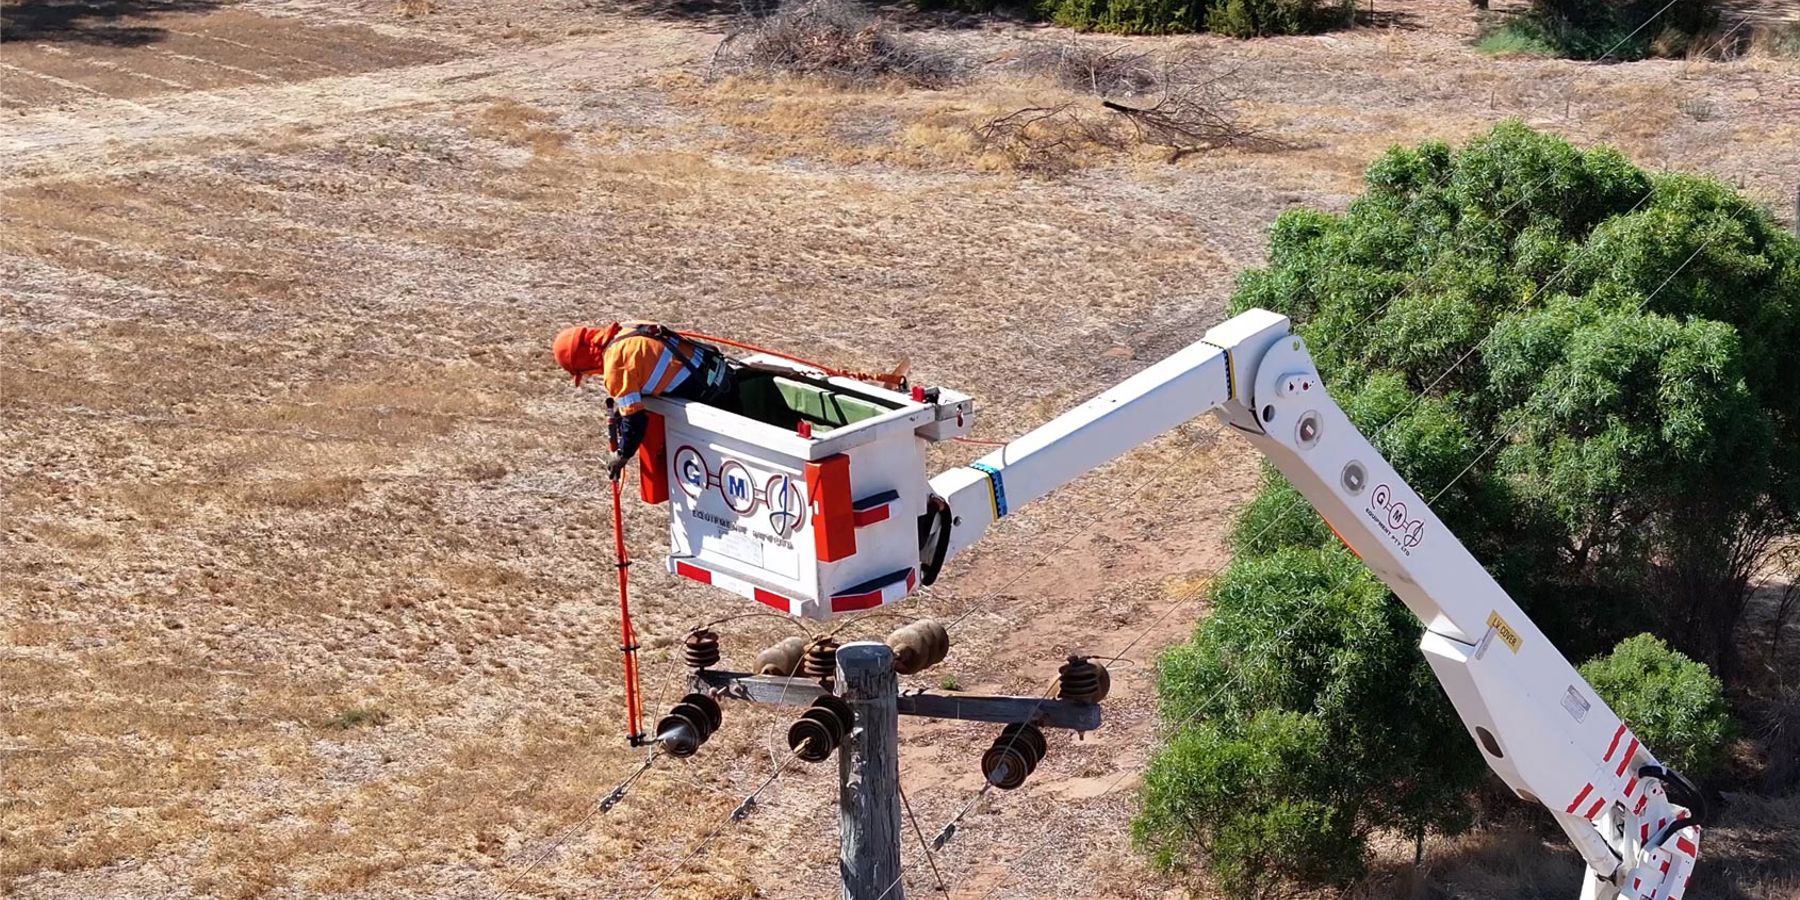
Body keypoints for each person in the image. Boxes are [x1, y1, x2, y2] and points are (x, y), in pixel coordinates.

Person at [553, 322, 737, 480]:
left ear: (584, 362)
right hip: (725, 378)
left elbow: (635, 420)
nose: (590, 375)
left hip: (714, 402)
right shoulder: (626, 329)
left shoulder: (615, 366)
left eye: (584, 373)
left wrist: (622, 455)